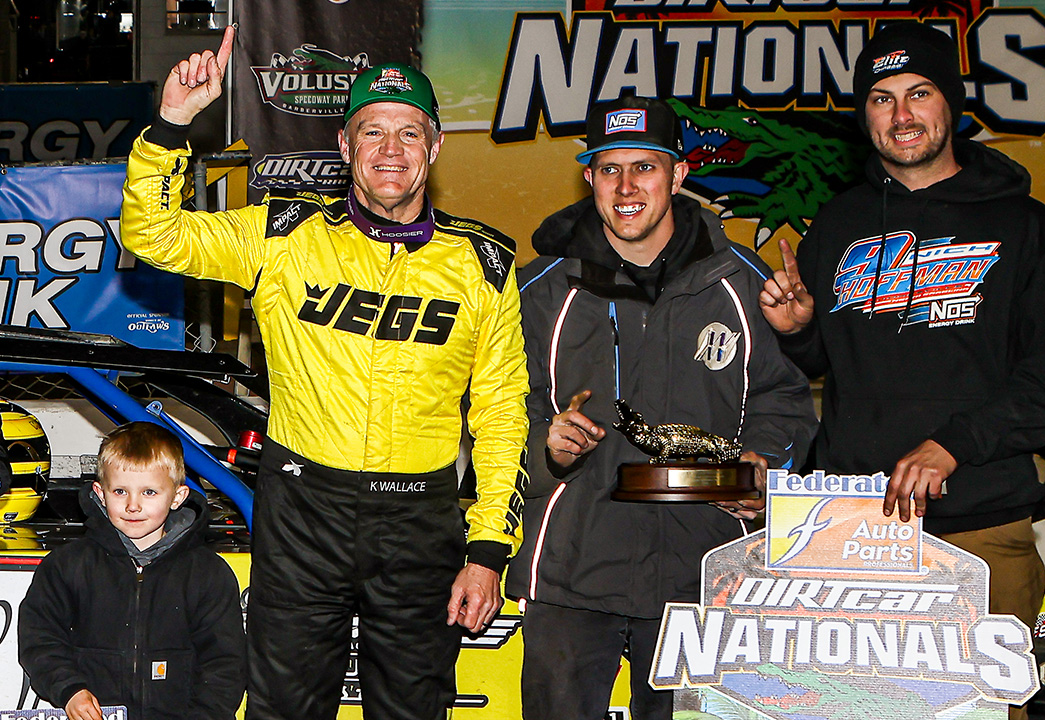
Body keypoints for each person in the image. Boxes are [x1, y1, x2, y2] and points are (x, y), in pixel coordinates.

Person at [119, 28, 529, 720]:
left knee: (411, 710)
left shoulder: (483, 265)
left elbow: (501, 412)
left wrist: (489, 547)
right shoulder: (284, 235)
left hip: (420, 519)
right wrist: (173, 123)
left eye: (409, 134)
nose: (390, 151)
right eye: (372, 132)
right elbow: (153, 236)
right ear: (345, 147)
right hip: (303, 510)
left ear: (434, 147)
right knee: (284, 707)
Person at [759, 22, 1045, 632]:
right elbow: (815, 364)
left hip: (980, 528)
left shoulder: (1025, 227)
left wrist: (953, 446)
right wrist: (797, 329)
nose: (902, 114)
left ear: (950, 102)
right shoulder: (840, 224)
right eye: (882, 98)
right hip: (848, 526)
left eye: (920, 92)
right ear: (865, 116)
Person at [508, 96, 817, 720]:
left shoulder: (743, 285)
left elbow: (782, 400)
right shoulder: (539, 290)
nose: (627, 187)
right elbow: (499, 407)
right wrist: (545, 441)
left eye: (645, 168)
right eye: (609, 168)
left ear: (678, 176)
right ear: (588, 176)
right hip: (573, 573)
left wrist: (764, 464)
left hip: (702, 573)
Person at [18, 422, 246, 720]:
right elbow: (39, 637)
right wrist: (70, 690)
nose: (133, 505)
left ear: (177, 497)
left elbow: (225, 664)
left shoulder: (208, 574)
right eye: (120, 491)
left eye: (149, 492)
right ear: (100, 493)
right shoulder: (68, 566)